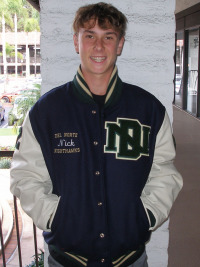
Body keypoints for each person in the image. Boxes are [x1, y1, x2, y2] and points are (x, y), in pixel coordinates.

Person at [10, 2, 183, 267]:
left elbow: (164, 172)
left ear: (120, 44)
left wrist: (145, 215)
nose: (99, 47)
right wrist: (56, 217)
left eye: (108, 37)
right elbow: (25, 176)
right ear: (76, 42)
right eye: (89, 35)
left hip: (131, 260)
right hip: (67, 260)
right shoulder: (46, 112)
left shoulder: (148, 110)